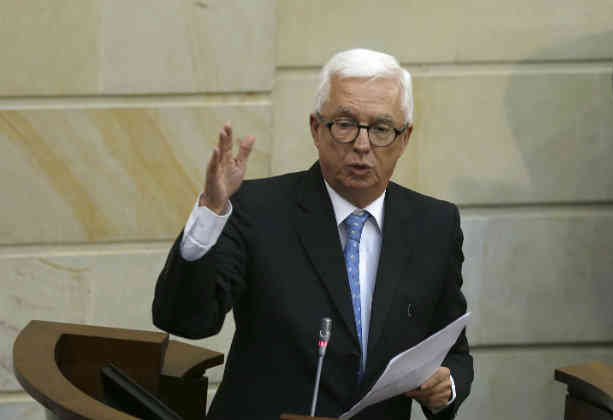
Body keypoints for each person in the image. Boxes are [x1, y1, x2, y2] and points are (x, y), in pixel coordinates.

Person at [153, 48, 473, 420]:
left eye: (381, 129)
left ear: (404, 139)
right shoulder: (257, 210)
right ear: (316, 129)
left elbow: (453, 349)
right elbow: (185, 319)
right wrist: (210, 212)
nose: (362, 145)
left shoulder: (434, 224)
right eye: (345, 124)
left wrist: (447, 386)